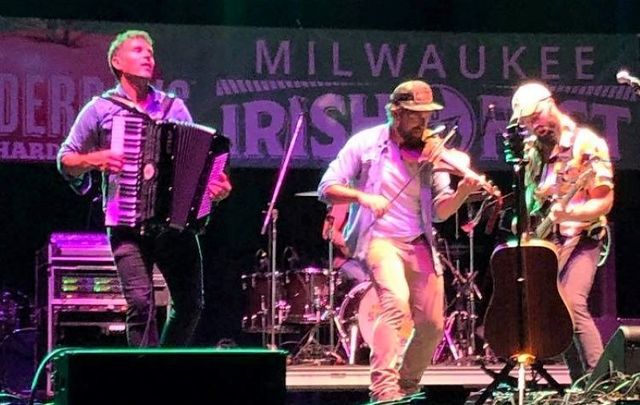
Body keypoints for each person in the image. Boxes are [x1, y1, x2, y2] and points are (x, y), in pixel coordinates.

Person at [57, 30, 232, 347]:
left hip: (173, 227)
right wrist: (94, 159)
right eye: (138, 50)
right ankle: (144, 380)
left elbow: (197, 164)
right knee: (140, 305)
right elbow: (65, 160)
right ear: (116, 61)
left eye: (150, 51)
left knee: (191, 305)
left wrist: (214, 188)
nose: (148, 55)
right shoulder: (100, 109)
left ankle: (161, 370)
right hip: (126, 224)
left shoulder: (173, 108)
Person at [318, 80, 483, 402]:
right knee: (395, 303)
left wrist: (463, 191)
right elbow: (327, 187)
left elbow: (440, 212)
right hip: (379, 238)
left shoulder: (432, 151)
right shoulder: (365, 143)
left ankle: (408, 384)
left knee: (433, 323)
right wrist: (363, 197)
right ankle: (384, 390)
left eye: (427, 116)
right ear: (395, 112)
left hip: (418, 240)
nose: (423, 122)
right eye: (414, 115)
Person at [510, 81, 614, 381]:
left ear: (550, 103)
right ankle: (578, 381)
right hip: (548, 240)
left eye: (536, 116)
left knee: (571, 300)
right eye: (528, 122)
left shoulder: (586, 143)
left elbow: (604, 200)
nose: (534, 125)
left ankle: (600, 381)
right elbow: (530, 199)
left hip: (584, 236)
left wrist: (570, 211)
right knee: (554, 308)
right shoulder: (531, 151)